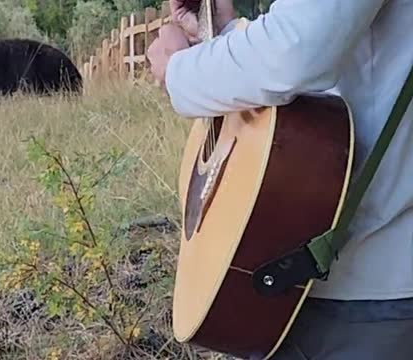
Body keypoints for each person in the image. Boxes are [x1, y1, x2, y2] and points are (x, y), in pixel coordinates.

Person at [147, 0, 413, 359]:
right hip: (315, 274)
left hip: (361, 290)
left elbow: (296, 49)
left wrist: (178, 71)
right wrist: (224, 33)